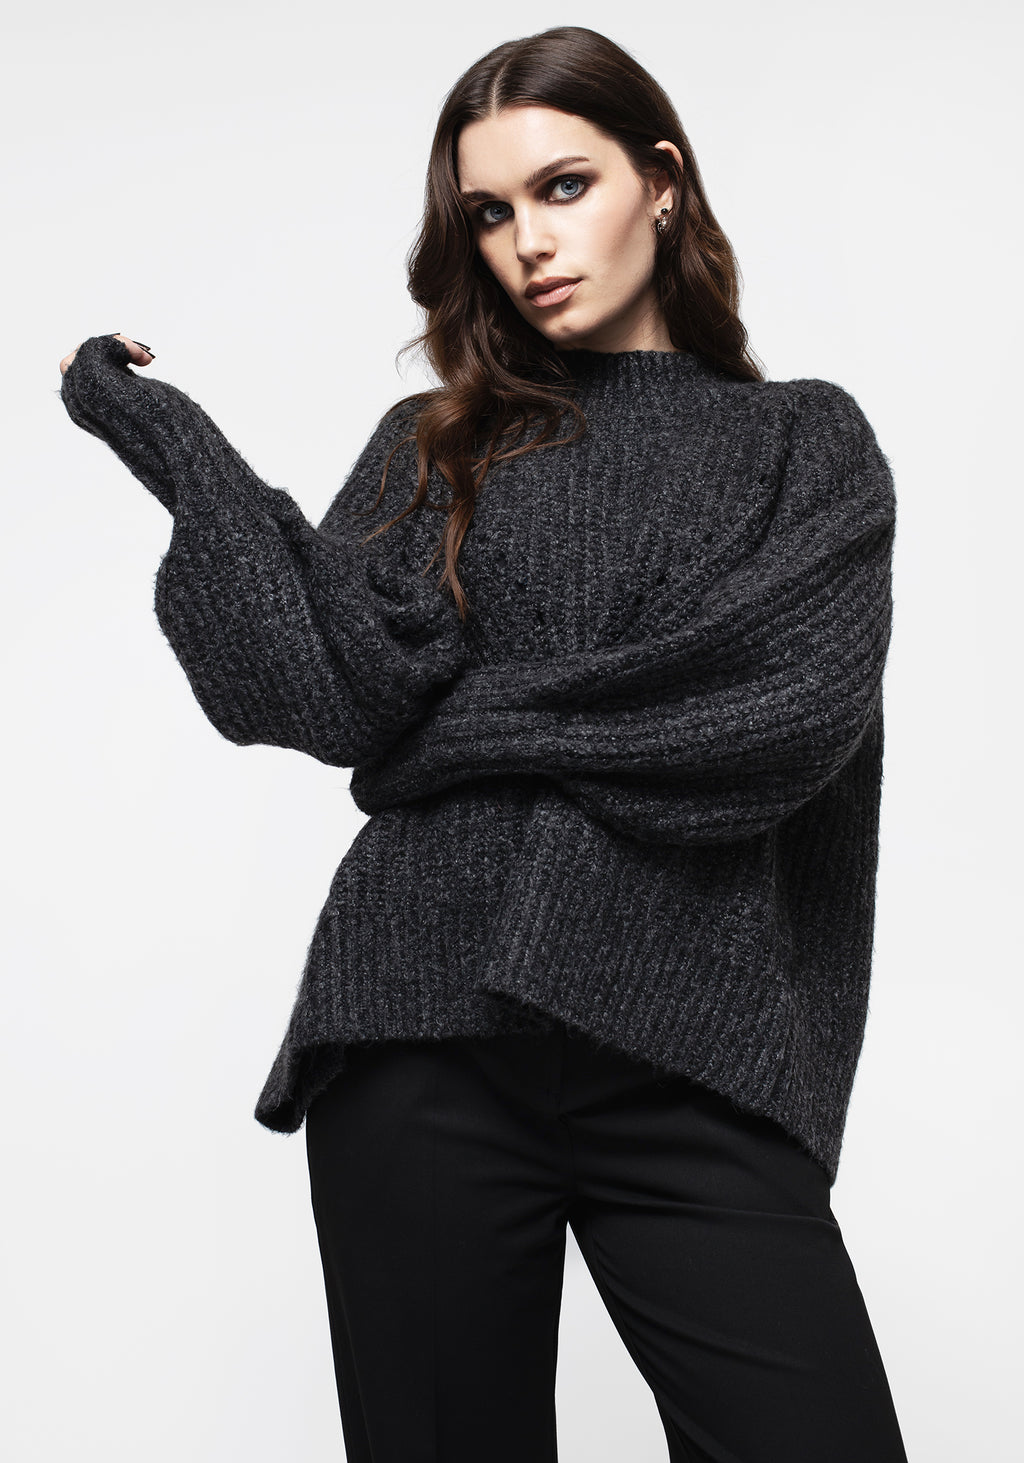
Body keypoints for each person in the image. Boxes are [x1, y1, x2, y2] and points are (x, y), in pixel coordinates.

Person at [57, 23, 909, 1463]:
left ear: (662, 182)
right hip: (415, 1028)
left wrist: (463, 733)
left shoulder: (802, 445)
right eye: (490, 213)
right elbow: (325, 691)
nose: (529, 243)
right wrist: (179, 453)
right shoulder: (433, 443)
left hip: (690, 1042)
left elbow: (774, 722)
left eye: (564, 187)